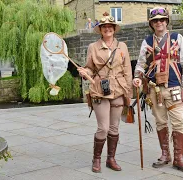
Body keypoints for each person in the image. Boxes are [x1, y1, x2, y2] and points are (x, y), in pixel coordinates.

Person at [132, 7, 183, 173]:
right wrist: (137, 77)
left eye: (162, 20)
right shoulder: (146, 41)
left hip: (174, 88)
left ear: (166, 21)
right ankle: (165, 154)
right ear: (151, 24)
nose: (159, 23)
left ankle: (179, 158)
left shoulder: (177, 38)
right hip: (154, 90)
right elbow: (140, 64)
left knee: (178, 121)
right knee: (160, 122)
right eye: (155, 21)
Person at [77, 12, 132, 173]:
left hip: (118, 90)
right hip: (99, 90)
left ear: (114, 29)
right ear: (100, 30)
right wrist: (84, 71)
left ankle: (111, 159)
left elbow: (127, 70)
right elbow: (89, 67)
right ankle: (97, 159)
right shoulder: (93, 47)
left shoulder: (122, 47)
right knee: (103, 128)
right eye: (104, 27)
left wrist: (128, 92)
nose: (107, 29)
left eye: (110, 26)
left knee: (114, 128)